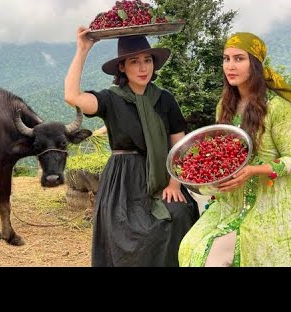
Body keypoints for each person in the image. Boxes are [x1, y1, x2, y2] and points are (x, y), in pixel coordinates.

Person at [64, 26, 199, 267]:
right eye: (134, 61)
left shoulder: (165, 99)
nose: (143, 67)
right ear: (122, 67)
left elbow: (179, 146)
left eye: (147, 60)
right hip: (122, 183)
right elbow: (72, 96)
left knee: (178, 214)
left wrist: (174, 184)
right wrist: (82, 50)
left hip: (161, 178)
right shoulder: (110, 99)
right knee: (123, 231)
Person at [178, 32, 291, 267]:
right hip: (231, 200)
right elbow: (222, 153)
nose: (230, 66)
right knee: (190, 247)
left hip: (269, 201)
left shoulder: (277, 107)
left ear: (256, 64)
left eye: (239, 59)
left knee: (216, 258)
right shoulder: (225, 106)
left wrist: (253, 171)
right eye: (226, 58)